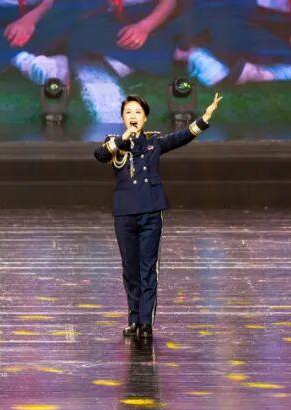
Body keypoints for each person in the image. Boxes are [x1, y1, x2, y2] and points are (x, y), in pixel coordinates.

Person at [94, 92, 221, 337]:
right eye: (128, 112)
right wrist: (124, 139)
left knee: (147, 268)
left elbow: (182, 137)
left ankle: (146, 322)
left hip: (151, 211)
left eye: (138, 112)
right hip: (125, 213)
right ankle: (133, 319)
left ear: (146, 118)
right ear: (122, 118)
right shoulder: (114, 142)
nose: (133, 116)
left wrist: (204, 119)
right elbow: (100, 155)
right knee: (130, 269)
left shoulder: (154, 142)